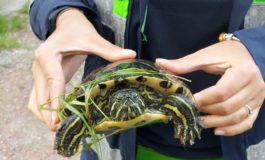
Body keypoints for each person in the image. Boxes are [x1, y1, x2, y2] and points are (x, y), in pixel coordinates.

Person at [28, 0, 265, 160]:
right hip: (113, 149)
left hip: (248, 141)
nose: (128, 100)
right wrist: (63, 13)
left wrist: (259, 49)